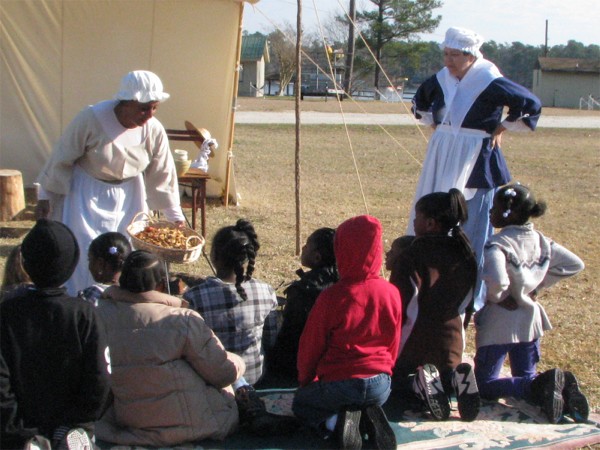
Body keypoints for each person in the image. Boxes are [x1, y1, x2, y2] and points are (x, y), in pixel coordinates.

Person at [407, 27, 542, 312]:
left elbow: (529, 105)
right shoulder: (443, 79)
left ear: (470, 56)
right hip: (443, 153)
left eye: (454, 55)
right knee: (433, 215)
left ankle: (471, 294)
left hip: (475, 156)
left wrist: (502, 126)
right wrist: (441, 129)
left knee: (473, 226)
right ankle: (427, 282)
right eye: (445, 54)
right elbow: (420, 102)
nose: (448, 61)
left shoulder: (488, 79)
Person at [35, 70, 185, 296]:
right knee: (87, 248)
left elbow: (163, 173)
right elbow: (61, 157)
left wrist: (175, 216)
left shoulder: (153, 130)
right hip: (86, 194)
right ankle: (82, 298)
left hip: (130, 196)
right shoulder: (91, 118)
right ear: (126, 102)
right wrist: (45, 197)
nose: (149, 114)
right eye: (144, 108)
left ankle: (121, 301)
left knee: (126, 249)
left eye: (154, 108)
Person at [94, 250, 245, 446]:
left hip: (131, 421)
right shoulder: (181, 320)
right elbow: (222, 373)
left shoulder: (97, 315)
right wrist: (238, 362)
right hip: (194, 424)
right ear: (161, 285)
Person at [474, 183, 588, 424]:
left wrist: (500, 297)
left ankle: (540, 385)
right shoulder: (542, 242)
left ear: (509, 213)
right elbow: (574, 264)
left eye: (494, 208)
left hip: (500, 323)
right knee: (525, 374)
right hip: (530, 321)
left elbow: (496, 279)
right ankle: (553, 390)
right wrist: (535, 287)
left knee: (484, 385)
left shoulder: (498, 243)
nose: (490, 212)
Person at [292, 215, 401, 450]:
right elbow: (393, 341)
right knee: (361, 398)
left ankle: (337, 422)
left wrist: (306, 382)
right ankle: (366, 418)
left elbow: (312, 346)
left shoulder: (333, 296)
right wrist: (386, 370)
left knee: (302, 404)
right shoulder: (391, 292)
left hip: (339, 385)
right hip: (381, 386)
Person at [0, 219, 111, 449]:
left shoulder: (6, 313)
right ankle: (71, 434)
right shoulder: (84, 313)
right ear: (71, 264)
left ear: (26, 263)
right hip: (71, 423)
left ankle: (29, 442)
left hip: (16, 426)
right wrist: (78, 419)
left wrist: (17, 429)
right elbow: (99, 378)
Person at [390, 189, 480, 422]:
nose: (413, 221)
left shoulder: (412, 255)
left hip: (416, 341)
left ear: (430, 223)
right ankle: (454, 380)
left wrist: (393, 351)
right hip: (453, 341)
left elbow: (403, 306)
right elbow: (468, 302)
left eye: (416, 217)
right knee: (444, 371)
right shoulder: (466, 254)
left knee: (392, 384)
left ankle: (420, 383)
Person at [183, 219, 279, 386]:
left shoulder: (195, 297)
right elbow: (271, 338)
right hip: (255, 377)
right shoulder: (266, 291)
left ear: (214, 256)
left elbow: (189, 348)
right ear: (247, 258)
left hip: (213, 383)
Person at [266, 227, 339, 382]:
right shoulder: (341, 283)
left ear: (317, 257)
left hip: (294, 366)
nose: (303, 248)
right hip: (329, 363)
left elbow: (290, 333)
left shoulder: (303, 290)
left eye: (307, 245)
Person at [78, 232, 131, 306]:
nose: (89, 266)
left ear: (100, 264)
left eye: (89, 260)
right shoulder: (133, 295)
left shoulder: (91, 295)